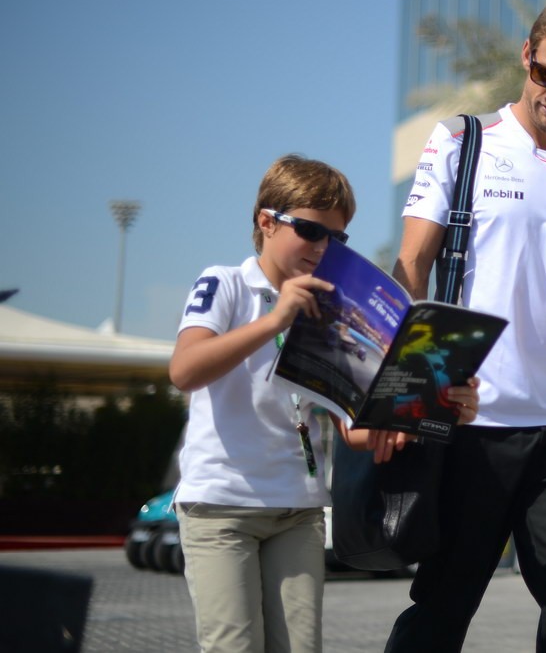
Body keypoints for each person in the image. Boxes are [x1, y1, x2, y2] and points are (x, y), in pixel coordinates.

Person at [382, 0, 546, 653]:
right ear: (527, 54)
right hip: (469, 423)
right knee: (443, 605)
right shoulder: (460, 142)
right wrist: (405, 400)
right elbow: (411, 267)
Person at [168, 155, 479, 653]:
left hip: (299, 508)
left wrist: (439, 406)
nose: (323, 247)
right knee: (235, 647)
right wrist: (275, 320)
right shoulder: (226, 283)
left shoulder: (331, 309)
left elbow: (354, 430)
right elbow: (184, 371)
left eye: (336, 237)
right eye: (311, 230)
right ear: (266, 221)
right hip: (221, 505)